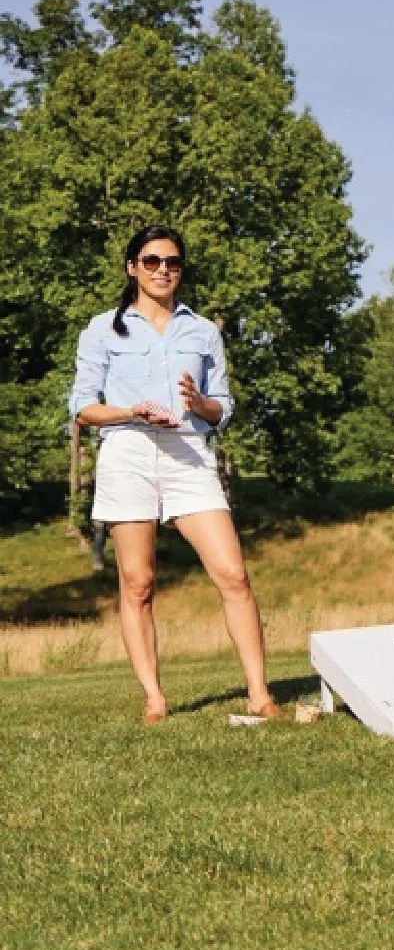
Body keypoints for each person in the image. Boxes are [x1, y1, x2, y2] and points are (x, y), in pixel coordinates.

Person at [69, 226, 280, 725]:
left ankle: (259, 695)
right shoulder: (102, 329)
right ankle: (155, 700)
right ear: (132, 268)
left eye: (173, 262)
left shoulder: (203, 331)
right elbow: (82, 408)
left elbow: (221, 407)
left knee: (233, 573)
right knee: (138, 583)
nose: (163, 269)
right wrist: (131, 413)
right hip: (128, 452)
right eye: (152, 261)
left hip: (189, 453)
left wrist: (200, 402)